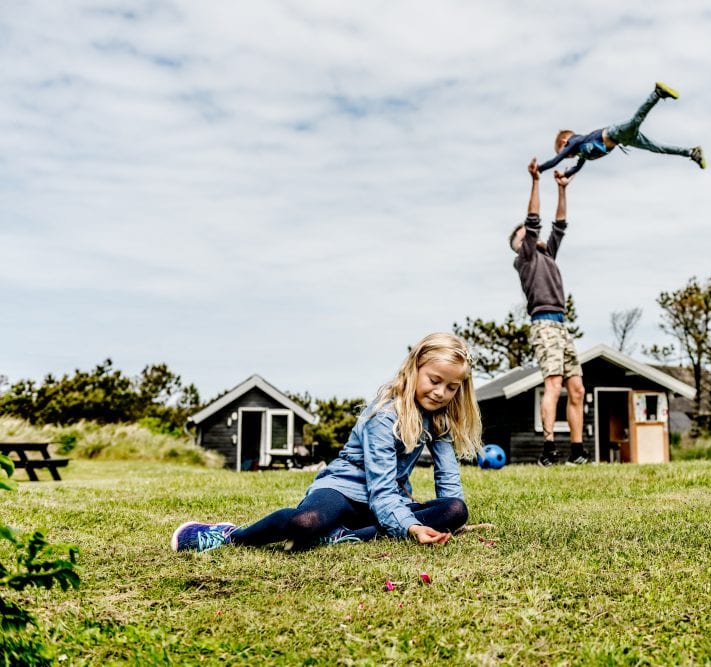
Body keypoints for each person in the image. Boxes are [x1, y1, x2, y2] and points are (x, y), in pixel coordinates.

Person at [171, 332, 482, 553]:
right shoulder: (384, 415)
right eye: (434, 380)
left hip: (383, 502)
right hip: (343, 492)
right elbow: (381, 489)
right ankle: (229, 536)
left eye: (452, 387)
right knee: (305, 524)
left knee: (455, 509)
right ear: (414, 370)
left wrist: (452, 524)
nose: (441, 392)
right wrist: (412, 527)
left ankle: (344, 536)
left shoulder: (439, 417)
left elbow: (447, 478)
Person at [509, 159, 587, 466]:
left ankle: (578, 451)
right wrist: (536, 181)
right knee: (553, 383)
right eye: (524, 234)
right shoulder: (526, 257)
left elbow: (560, 225)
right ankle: (548, 450)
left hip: (561, 325)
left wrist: (561, 188)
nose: (530, 235)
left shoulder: (548, 253)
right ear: (520, 244)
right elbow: (534, 220)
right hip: (543, 324)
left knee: (577, 387)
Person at [537, 81, 705, 178]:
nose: (567, 155)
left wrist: (540, 169)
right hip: (624, 140)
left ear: (564, 141)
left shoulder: (575, 142)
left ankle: (657, 93)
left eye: (564, 150)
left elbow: (555, 160)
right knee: (658, 148)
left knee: (637, 119)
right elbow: (576, 168)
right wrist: (564, 175)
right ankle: (691, 152)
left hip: (614, 132)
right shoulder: (582, 154)